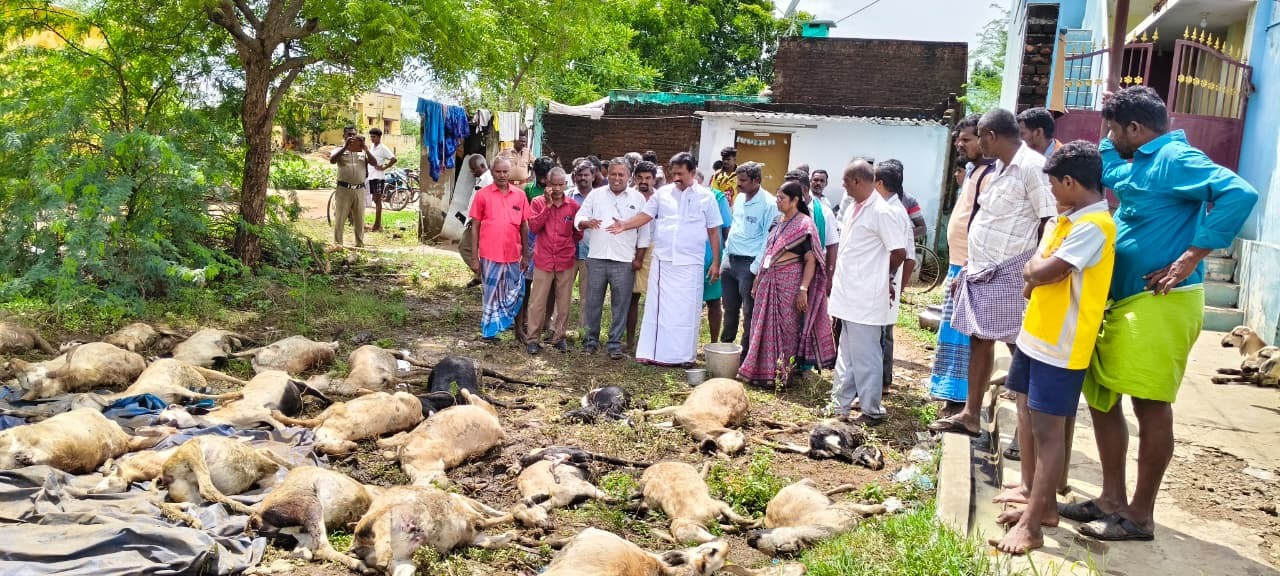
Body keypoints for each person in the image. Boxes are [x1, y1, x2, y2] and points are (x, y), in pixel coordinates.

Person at [1061, 87, 1256, 542]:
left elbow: (1239, 193)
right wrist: (1111, 111)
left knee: (1149, 405)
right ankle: (1111, 499)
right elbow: (1105, 164)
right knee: (1103, 396)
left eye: (1115, 126)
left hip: (1161, 302)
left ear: (1136, 129)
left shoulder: (1173, 158)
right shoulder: (1140, 158)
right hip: (1124, 301)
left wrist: (1192, 254)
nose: (1110, 134)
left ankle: (1140, 515)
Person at [992, 140, 1116, 554]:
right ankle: (1036, 504)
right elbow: (1034, 278)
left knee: (1049, 432)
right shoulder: (1063, 222)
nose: (1051, 194)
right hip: (1035, 335)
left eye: (1054, 186)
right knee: (1025, 413)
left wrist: (1036, 270)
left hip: (1061, 346)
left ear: (1070, 182)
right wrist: (1036, 271)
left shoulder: (1093, 227)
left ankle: (1034, 526)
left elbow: (1042, 270)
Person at [929, 108, 1057, 437]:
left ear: (991, 136)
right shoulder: (999, 168)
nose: (976, 143)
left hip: (1012, 269)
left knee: (1018, 340)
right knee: (980, 338)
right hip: (982, 269)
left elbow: (1049, 221)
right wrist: (969, 266)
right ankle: (971, 414)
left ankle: (1032, 424)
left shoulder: (1032, 167)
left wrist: (1035, 272)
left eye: (979, 136)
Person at [608, 152, 723, 366]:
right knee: (658, 309)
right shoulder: (663, 194)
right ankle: (653, 353)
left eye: (680, 173)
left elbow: (714, 231)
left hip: (691, 263)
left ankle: (684, 357)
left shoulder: (706, 197)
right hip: (664, 262)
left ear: (692, 171)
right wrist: (625, 224)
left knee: (687, 312)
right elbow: (645, 216)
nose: (676, 177)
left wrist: (716, 262)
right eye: (673, 173)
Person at [826, 159, 908, 424]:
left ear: (858, 181)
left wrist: (885, 277)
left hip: (866, 295)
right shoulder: (853, 207)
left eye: (845, 181)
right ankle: (840, 404)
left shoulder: (882, 212)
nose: (843, 186)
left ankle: (871, 410)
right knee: (846, 355)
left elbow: (899, 251)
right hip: (848, 293)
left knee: (866, 356)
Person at [737, 181, 836, 387]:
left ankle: (782, 375)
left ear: (795, 200)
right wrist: (757, 279)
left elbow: (812, 260)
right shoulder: (776, 221)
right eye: (777, 197)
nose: (778, 201)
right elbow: (768, 251)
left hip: (790, 283)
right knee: (760, 326)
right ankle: (759, 372)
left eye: (782, 198)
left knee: (787, 327)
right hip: (767, 280)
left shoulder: (805, 225)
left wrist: (803, 289)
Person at [929, 115, 996, 413]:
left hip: (969, 267)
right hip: (958, 265)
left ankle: (959, 400)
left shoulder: (990, 175)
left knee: (961, 334)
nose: (960, 144)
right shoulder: (972, 171)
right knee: (950, 332)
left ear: (984, 138)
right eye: (959, 139)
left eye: (966, 139)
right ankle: (950, 394)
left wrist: (970, 264)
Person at [575, 158, 650, 359]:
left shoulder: (638, 198)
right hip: (597, 257)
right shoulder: (596, 195)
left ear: (629, 176)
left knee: (621, 303)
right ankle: (591, 341)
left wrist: (639, 259)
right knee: (593, 302)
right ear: (607, 174)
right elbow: (579, 217)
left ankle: (614, 344)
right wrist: (585, 223)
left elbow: (644, 233)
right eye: (613, 174)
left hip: (624, 260)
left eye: (621, 174)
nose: (617, 178)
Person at [720, 162, 778, 359]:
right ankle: (725, 350)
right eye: (738, 179)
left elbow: (767, 240)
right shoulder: (739, 199)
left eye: (743, 180)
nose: (738, 184)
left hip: (750, 264)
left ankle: (746, 357)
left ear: (756, 180)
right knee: (729, 309)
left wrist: (755, 269)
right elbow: (735, 228)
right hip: (730, 261)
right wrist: (725, 256)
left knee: (749, 313)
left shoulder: (769, 204)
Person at [468, 158, 530, 343]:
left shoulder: (520, 195)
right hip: (490, 254)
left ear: (510, 173)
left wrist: (526, 255)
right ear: (492, 172)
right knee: (491, 294)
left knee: (517, 292)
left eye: (505, 172)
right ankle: (489, 332)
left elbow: (524, 226)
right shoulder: (483, 195)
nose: (502, 175)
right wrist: (474, 257)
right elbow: (475, 227)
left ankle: (518, 330)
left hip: (513, 254)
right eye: (498, 172)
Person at [525, 167, 582, 355]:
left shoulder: (573, 206)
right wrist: (548, 207)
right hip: (544, 259)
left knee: (563, 302)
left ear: (565, 184)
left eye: (560, 184)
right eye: (553, 184)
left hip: (565, 260)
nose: (557, 189)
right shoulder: (538, 202)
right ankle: (533, 338)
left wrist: (566, 247)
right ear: (547, 184)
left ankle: (559, 337)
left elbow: (578, 233)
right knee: (537, 302)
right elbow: (533, 226)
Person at [874, 160, 918, 392]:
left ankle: (881, 381)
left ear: (879, 183)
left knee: (882, 333)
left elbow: (907, 256)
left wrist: (895, 285)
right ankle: (881, 380)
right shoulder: (891, 208)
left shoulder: (894, 212)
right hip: (887, 282)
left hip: (887, 282)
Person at [514, 156, 557, 344]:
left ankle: (546, 321)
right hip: (531, 238)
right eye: (539, 176)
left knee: (548, 285)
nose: (542, 180)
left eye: (545, 176)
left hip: (549, 241)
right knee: (526, 282)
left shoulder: (555, 189)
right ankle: (523, 318)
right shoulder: (529, 190)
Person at [784, 170, 838, 291]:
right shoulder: (781, 211)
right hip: (783, 273)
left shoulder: (824, 213)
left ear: (804, 189)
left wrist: (829, 278)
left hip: (813, 274)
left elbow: (832, 246)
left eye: (790, 190)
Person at [625, 162, 659, 351]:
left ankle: (652, 341)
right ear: (634, 178)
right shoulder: (628, 196)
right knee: (632, 297)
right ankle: (630, 342)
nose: (644, 181)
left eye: (648, 178)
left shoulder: (661, 199)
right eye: (640, 178)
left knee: (655, 297)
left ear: (654, 179)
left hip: (655, 250)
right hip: (630, 248)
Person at [329, 132, 384, 247]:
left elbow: (374, 163)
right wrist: (345, 147)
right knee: (340, 218)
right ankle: (338, 244)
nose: (352, 138)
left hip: (359, 189)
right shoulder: (338, 150)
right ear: (344, 136)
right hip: (344, 189)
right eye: (349, 135)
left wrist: (365, 149)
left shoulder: (363, 153)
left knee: (359, 218)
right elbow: (332, 160)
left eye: (354, 135)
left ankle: (359, 243)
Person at [704, 173, 734, 343]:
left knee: (714, 302)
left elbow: (726, 230)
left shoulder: (717, 197)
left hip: (711, 259)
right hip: (687, 260)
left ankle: (714, 342)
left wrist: (720, 259)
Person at [458, 154, 494, 288]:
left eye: (474, 169)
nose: (472, 172)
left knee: (464, 247)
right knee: (476, 250)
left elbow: (488, 205)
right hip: (473, 220)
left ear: (483, 166)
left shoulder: (488, 180)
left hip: (479, 222)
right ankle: (481, 276)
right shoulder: (481, 179)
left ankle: (483, 276)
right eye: (471, 169)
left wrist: (475, 221)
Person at [569, 160, 596, 333]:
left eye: (586, 175)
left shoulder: (600, 198)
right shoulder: (567, 196)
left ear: (593, 176)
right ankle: (556, 326)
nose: (583, 178)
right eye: (580, 175)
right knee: (562, 291)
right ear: (574, 177)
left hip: (591, 252)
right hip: (568, 251)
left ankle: (583, 329)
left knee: (587, 294)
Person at [365, 128, 398, 232]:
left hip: (378, 177)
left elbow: (393, 159)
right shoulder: (371, 147)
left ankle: (378, 225)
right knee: (374, 199)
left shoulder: (382, 148)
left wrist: (384, 167)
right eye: (371, 136)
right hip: (371, 176)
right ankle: (377, 224)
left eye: (374, 137)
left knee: (377, 200)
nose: (372, 138)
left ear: (379, 137)